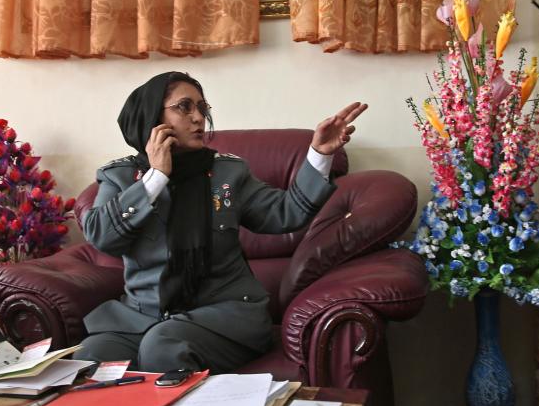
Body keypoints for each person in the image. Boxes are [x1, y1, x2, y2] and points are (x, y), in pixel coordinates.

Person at [74, 71, 367, 374]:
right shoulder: (119, 177)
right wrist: (156, 178)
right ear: (152, 117)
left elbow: (287, 212)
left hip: (224, 315)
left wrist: (318, 154)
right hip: (144, 316)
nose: (199, 118)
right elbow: (102, 237)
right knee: (90, 357)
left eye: (202, 108)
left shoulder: (228, 173)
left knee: (163, 345)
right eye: (184, 107)